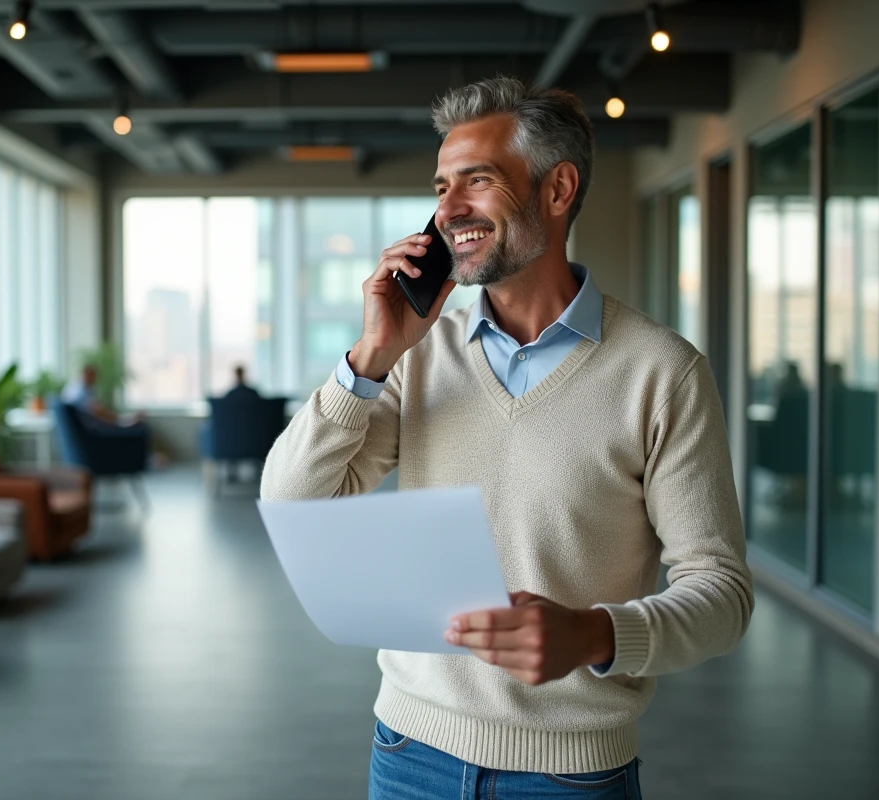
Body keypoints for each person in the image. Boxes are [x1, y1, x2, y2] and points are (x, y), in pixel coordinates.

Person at [261, 77, 752, 799]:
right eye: (440, 188)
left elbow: (722, 592)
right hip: (408, 754)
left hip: (570, 774)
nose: (446, 210)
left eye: (477, 182)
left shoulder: (662, 372)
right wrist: (370, 359)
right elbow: (294, 501)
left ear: (558, 191)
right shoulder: (416, 355)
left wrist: (595, 635)